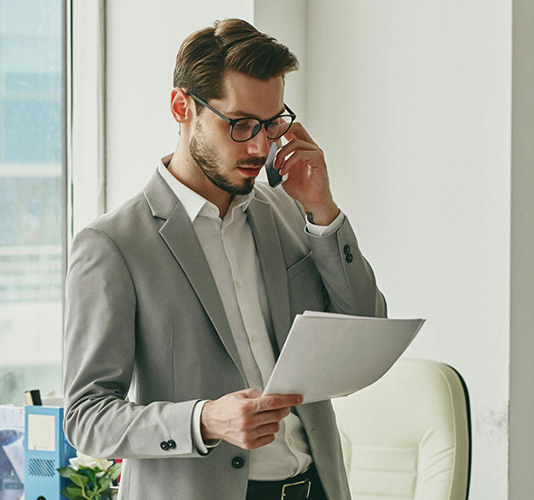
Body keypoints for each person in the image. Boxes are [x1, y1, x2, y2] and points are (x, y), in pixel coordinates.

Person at [63, 18, 386, 500]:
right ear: (182, 108)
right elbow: (87, 418)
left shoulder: (286, 209)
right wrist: (204, 420)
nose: (260, 146)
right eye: (240, 124)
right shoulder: (112, 244)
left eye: (272, 123)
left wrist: (322, 210)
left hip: (317, 488)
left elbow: (364, 326)